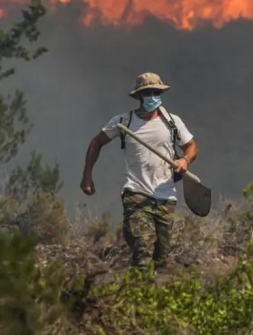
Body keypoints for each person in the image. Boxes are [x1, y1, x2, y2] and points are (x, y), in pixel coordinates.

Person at [80, 72, 199, 269]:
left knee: (161, 257)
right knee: (143, 250)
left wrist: (185, 160)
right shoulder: (124, 122)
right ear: (139, 97)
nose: (152, 96)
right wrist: (87, 176)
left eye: (155, 92)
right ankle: (136, 288)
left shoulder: (172, 122)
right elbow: (96, 142)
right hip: (136, 194)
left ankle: (151, 295)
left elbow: (192, 146)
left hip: (165, 195)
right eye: (147, 92)